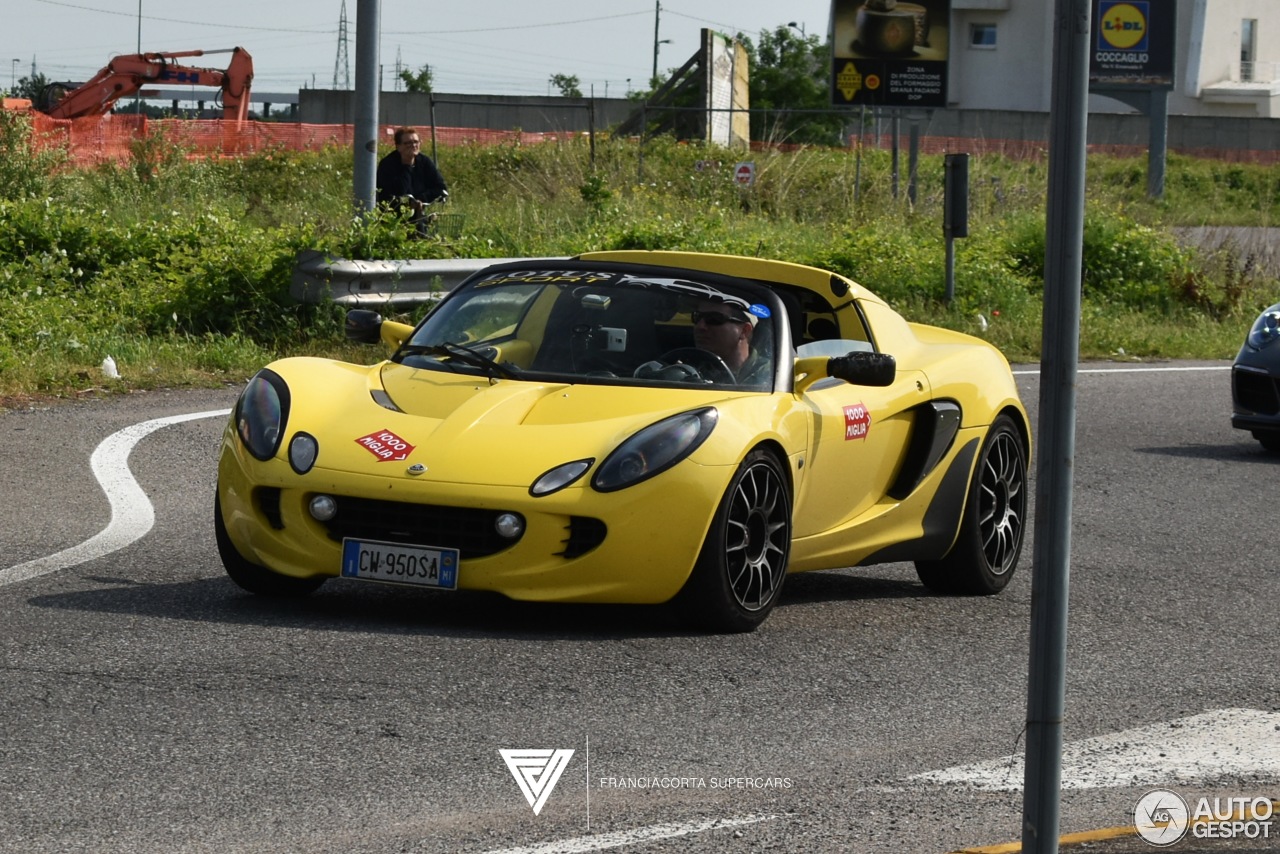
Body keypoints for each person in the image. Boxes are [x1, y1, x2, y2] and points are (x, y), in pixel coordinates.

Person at [376, 126, 448, 235]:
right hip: (394, 216)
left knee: (425, 232)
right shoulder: (388, 164)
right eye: (407, 143)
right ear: (398, 146)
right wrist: (407, 165)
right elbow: (398, 191)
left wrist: (422, 199)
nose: (413, 145)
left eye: (415, 142)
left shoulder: (424, 162)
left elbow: (440, 188)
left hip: (421, 214)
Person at [691, 298, 771, 388]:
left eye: (714, 319)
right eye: (697, 317)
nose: (700, 326)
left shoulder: (771, 376)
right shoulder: (690, 371)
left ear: (744, 331)